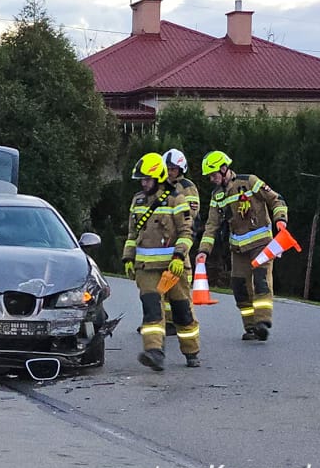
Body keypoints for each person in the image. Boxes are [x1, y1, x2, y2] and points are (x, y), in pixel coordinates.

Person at [196, 151, 287, 342]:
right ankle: (251, 328)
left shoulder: (250, 182)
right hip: (238, 248)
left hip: (262, 244)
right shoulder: (217, 196)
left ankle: (262, 322)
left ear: (224, 168)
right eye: (209, 176)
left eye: (213, 175)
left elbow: (276, 200)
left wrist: (281, 221)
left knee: (261, 281)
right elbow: (211, 225)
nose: (212, 179)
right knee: (239, 287)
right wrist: (203, 251)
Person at [123, 153, 201, 371]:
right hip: (146, 269)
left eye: (147, 179)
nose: (143, 183)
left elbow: (187, 232)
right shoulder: (137, 201)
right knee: (152, 310)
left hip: (173, 269)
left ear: (158, 178)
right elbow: (132, 233)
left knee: (182, 311)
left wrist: (179, 256)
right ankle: (154, 352)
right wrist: (128, 258)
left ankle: (191, 351)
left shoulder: (177, 199)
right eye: (141, 180)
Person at [137, 149, 201, 336]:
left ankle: (176, 322)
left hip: (179, 242)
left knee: (180, 291)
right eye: (168, 168)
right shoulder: (157, 188)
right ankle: (160, 322)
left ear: (181, 169)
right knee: (157, 292)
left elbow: (190, 214)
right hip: (157, 250)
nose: (171, 172)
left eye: (174, 169)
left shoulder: (186, 187)